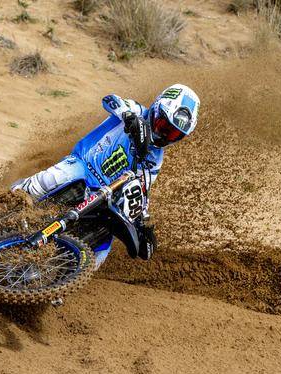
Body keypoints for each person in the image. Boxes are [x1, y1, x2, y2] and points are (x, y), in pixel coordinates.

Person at [11, 84, 200, 268]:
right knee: (53, 178)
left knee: (100, 253)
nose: (164, 135)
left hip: (103, 194)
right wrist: (128, 117)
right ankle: (9, 200)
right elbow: (110, 100)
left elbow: (142, 188)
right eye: (163, 125)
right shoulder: (136, 110)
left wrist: (141, 220)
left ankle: (56, 279)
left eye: (173, 134)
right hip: (83, 166)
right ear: (157, 109)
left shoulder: (155, 158)